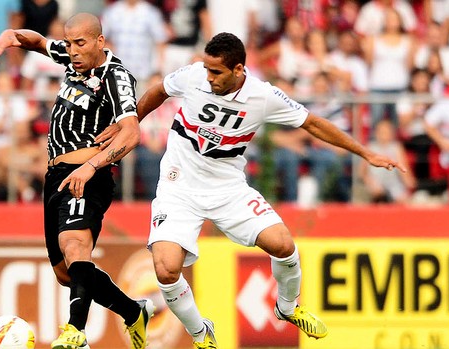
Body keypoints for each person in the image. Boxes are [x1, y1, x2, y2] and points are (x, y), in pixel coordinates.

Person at [97, 32, 406, 348]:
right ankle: (201, 334)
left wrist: (366, 153)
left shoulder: (263, 96)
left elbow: (312, 123)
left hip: (229, 189)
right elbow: (158, 92)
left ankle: (287, 308)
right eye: (207, 69)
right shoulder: (193, 76)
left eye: (216, 72)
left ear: (239, 69)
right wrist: (129, 124)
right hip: (179, 187)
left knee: (284, 245)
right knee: (165, 269)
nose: (209, 77)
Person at [0, 12, 154, 349]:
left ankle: (75, 330)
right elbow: (36, 41)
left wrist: (91, 165)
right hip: (55, 176)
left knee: (76, 246)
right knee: (66, 272)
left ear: (99, 42)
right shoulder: (71, 60)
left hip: (87, 174)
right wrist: (11, 35)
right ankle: (134, 311)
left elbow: (131, 133)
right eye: (69, 43)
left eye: (80, 43)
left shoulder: (115, 76)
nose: (72, 50)